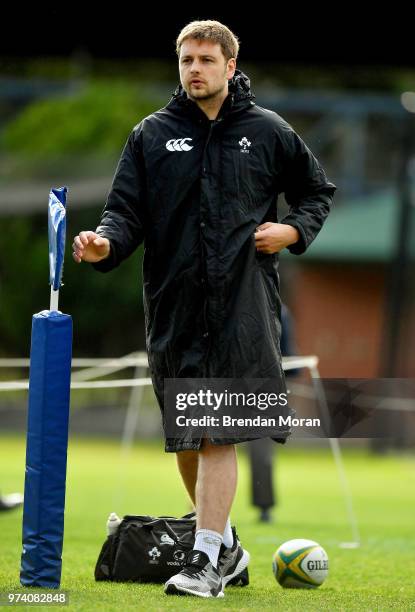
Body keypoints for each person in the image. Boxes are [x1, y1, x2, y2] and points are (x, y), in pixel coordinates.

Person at [72, 20, 336, 598]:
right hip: (173, 306)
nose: (194, 69)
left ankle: (207, 563)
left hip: (242, 305)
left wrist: (291, 230)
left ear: (230, 67)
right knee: (190, 435)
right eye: (186, 60)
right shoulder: (151, 134)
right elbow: (125, 212)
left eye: (206, 60)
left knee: (218, 432)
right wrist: (104, 243)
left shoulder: (268, 131)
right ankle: (228, 548)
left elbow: (317, 191)